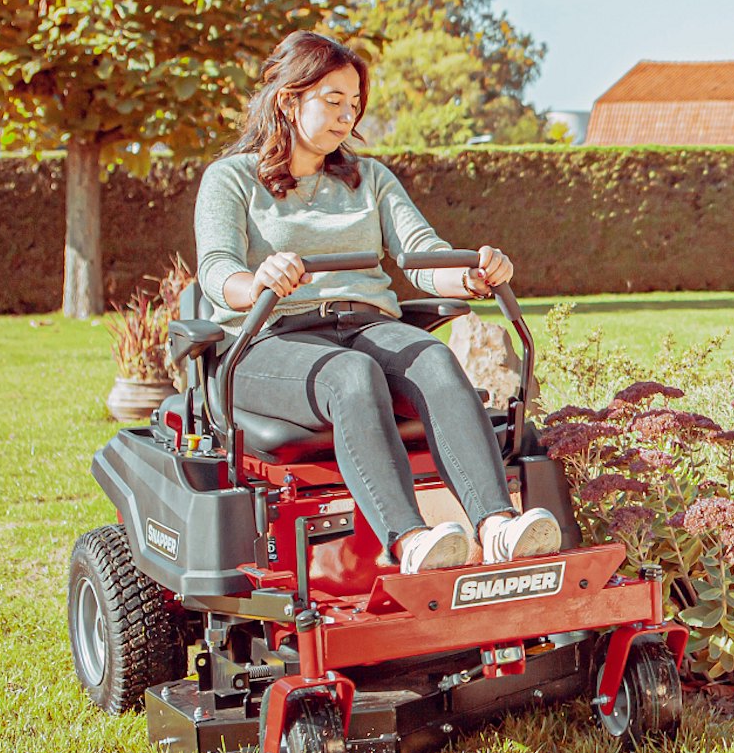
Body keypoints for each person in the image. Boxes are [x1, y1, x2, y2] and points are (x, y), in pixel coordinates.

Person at [193, 30, 557, 575]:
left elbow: (423, 256)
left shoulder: (371, 181)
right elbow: (216, 268)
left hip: (362, 323)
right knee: (352, 374)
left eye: (355, 104)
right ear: (289, 101)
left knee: (434, 358)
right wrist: (259, 282)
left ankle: (497, 527)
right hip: (268, 338)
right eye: (333, 101)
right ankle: (409, 540)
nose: (347, 116)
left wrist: (475, 275)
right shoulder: (231, 180)